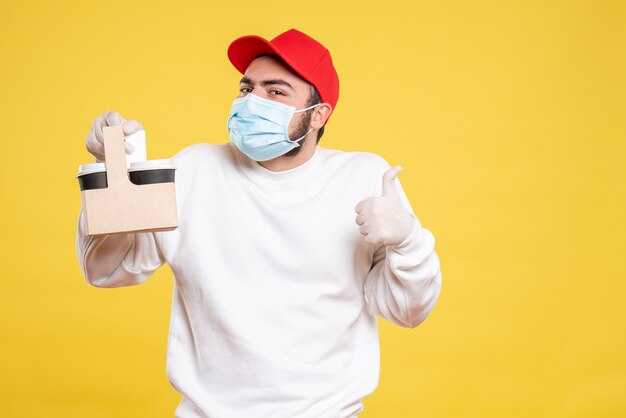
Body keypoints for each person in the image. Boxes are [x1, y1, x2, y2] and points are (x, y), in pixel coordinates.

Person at [77, 28, 442, 418]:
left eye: (276, 92)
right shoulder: (192, 170)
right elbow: (106, 270)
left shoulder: (364, 177)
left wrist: (409, 242)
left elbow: (408, 311)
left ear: (318, 115)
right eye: (247, 89)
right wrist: (111, 172)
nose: (252, 102)